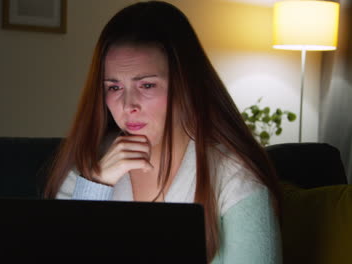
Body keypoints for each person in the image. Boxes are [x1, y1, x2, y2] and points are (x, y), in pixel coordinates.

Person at [43, 1, 282, 263]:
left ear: (186, 85)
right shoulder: (88, 167)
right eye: (114, 87)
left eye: (146, 85)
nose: (127, 106)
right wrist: (95, 187)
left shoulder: (234, 176)